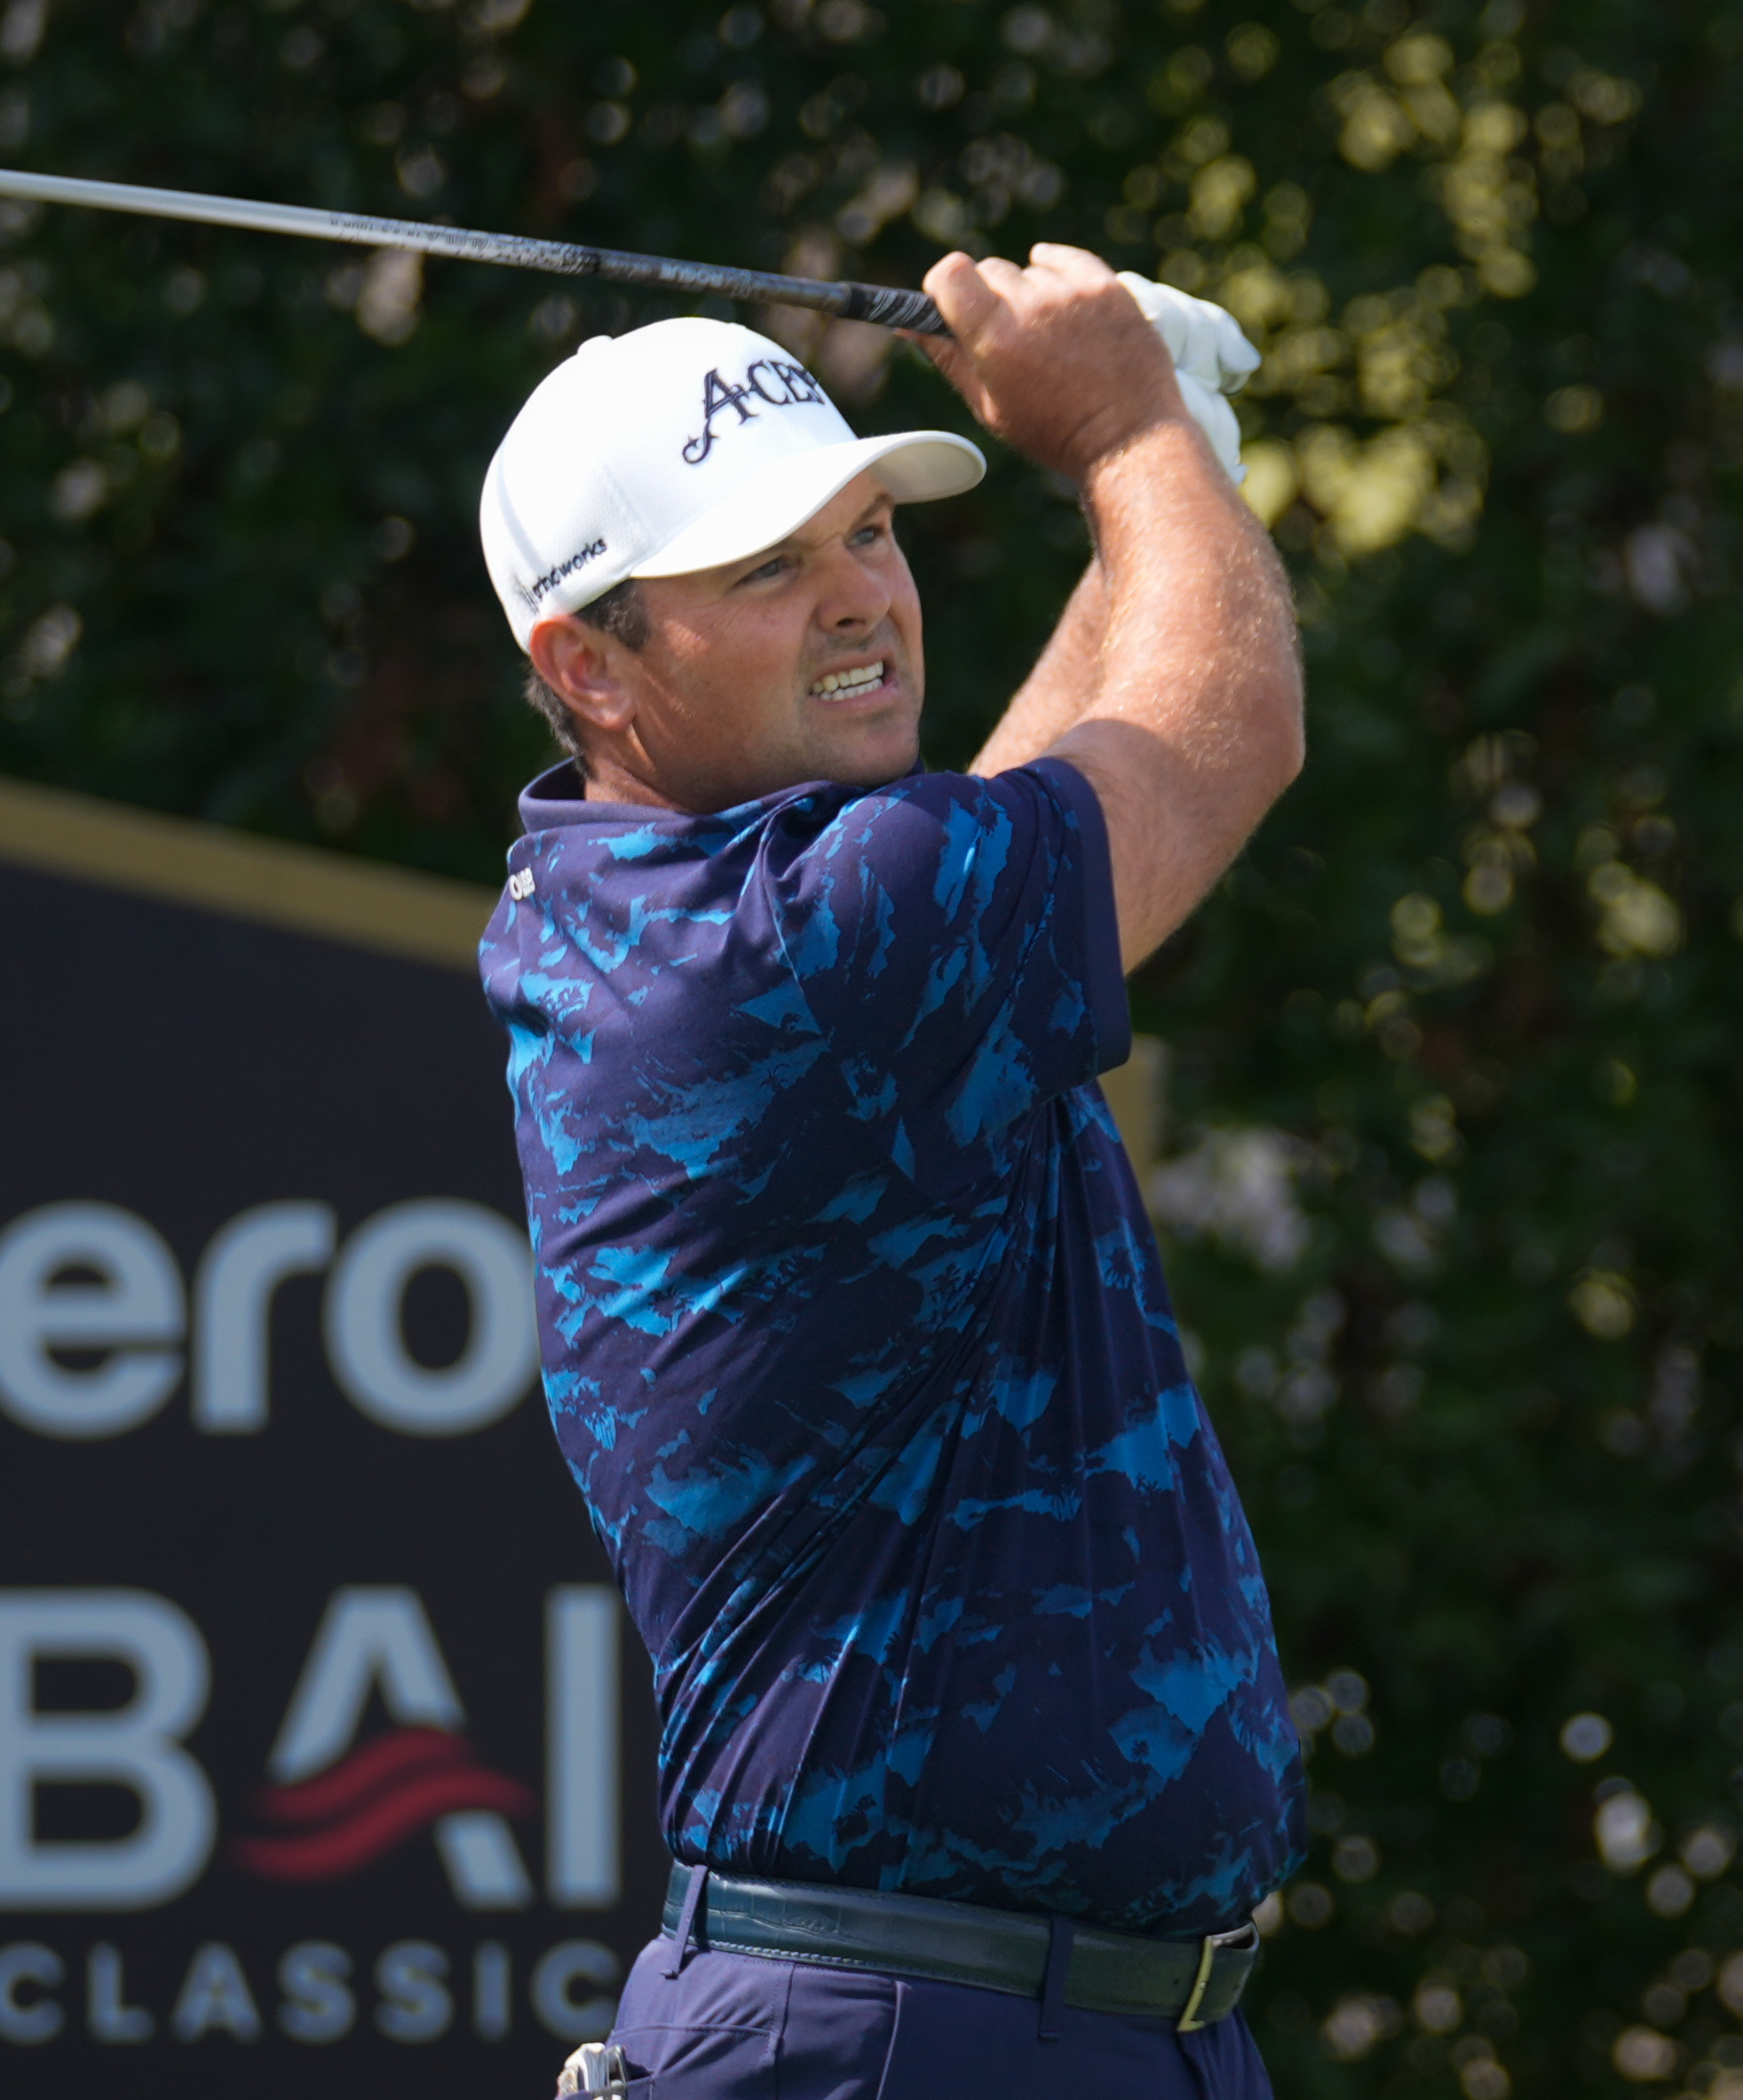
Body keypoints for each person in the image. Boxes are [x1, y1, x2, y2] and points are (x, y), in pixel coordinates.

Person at [475, 244, 1308, 2099]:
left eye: (866, 531)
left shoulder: (714, 913)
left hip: (1008, 2025)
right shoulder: (800, 942)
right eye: (768, 566)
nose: (860, 593)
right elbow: (1222, 735)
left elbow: (1020, 826)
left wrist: (1161, 488)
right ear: (586, 662)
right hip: (903, 2041)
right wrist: (1126, 436)